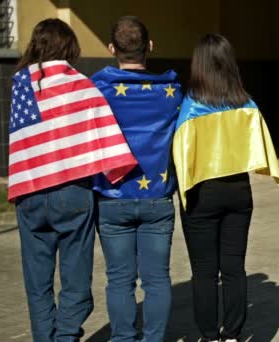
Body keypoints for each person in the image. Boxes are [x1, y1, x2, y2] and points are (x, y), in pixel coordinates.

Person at [9, 19, 137, 342]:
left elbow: (23, 140)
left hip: (29, 193)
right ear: (70, 47)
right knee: (76, 280)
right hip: (72, 193)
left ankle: (44, 338)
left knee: (37, 283)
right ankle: (65, 336)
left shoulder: (20, 84)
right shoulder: (81, 85)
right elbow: (106, 137)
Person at [172, 33, 279, 342]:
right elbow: (261, 145)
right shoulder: (246, 104)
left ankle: (209, 336)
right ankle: (233, 335)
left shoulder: (191, 106)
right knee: (234, 268)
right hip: (238, 193)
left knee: (205, 272)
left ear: (198, 65)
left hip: (201, 195)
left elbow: (181, 153)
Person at [90, 16, 182, 342]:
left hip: (111, 197)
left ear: (112, 48)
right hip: (157, 197)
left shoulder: (96, 90)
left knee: (119, 281)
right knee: (157, 280)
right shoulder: (172, 93)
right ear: (150, 46)